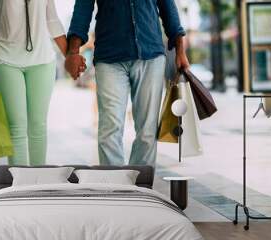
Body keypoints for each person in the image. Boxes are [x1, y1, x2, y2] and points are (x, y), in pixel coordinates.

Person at [65, 0, 190, 166]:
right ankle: (115, 187)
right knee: (110, 129)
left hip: (150, 54)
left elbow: (168, 6)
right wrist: (73, 52)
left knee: (147, 131)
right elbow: (83, 7)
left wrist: (180, 50)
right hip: (109, 57)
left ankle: (141, 186)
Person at [0, 0, 84, 165]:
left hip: (42, 60)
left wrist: (70, 57)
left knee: (38, 126)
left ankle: (38, 182)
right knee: (17, 127)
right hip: (4, 58)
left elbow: (52, 20)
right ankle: (21, 187)